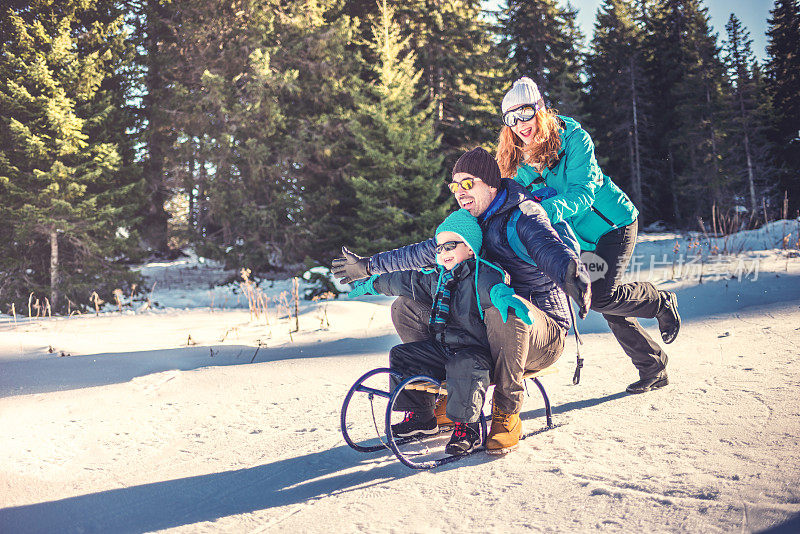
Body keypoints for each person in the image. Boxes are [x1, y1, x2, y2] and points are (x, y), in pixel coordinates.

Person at [333, 147, 591, 454]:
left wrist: (569, 273)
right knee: (406, 307)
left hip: (540, 334)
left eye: (467, 183)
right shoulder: (465, 226)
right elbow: (418, 255)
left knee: (504, 310)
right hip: (487, 334)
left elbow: (548, 247)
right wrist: (367, 267)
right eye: (455, 186)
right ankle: (435, 406)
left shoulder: (523, 215)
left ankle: (507, 412)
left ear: (491, 184)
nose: (459, 192)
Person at [496, 76, 681, 394]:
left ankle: (660, 302)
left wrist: (541, 213)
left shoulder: (574, 139)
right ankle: (653, 367)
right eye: (511, 118)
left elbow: (583, 193)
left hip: (613, 225)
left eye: (525, 112)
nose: (520, 124)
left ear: (539, 109)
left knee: (605, 295)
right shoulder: (519, 160)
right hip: (580, 240)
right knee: (601, 298)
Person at [348, 209, 532, 455]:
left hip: (477, 352)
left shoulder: (483, 272)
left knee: (463, 366)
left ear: (469, 248)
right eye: (439, 248)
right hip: (446, 347)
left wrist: (502, 294)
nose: (443, 253)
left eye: (450, 246)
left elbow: (493, 285)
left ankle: (467, 427)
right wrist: (371, 283)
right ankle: (422, 417)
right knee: (403, 356)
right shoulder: (438, 277)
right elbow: (405, 281)